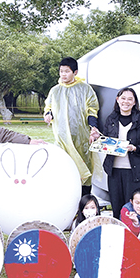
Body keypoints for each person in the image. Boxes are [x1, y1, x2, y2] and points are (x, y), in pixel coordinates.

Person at [44, 57, 101, 196]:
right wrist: (48, 114)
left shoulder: (85, 89)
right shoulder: (55, 90)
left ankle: (84, 203)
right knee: (65, 169)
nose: (63, 74)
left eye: (66, 71)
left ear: (75, 72)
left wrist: (93, 127)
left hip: (82, 139)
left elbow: (92, 109)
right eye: (61, 71)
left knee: (84, 170)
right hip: (62, 138)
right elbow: (49, 106)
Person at [101, 87, 140, 219]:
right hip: (114, 171)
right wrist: (99, 138)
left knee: (132, 210)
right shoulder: (111, 119)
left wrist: (135, 148)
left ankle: (134, 235)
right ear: (117, 100)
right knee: (117, 208)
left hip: (133, 172)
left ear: (135, 102)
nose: (126, 102)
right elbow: (107, 142)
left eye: (130, 99)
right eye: (123, 98)